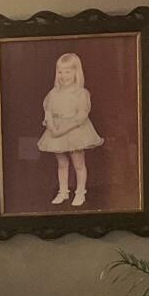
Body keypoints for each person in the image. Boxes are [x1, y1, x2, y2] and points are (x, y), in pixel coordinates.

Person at [36, 50, 103, 206]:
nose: (63, 76)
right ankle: (63, 192)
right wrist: (51, 126)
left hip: (75, 131)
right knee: (61, 163)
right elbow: (48, 111)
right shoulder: (53, 93)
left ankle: (80, 193)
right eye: (60, 72)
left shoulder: (81, 93)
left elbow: (81, 116)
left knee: (78, 163)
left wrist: (61, 131)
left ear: (76, 73)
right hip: (56, 130)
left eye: (68, 72)